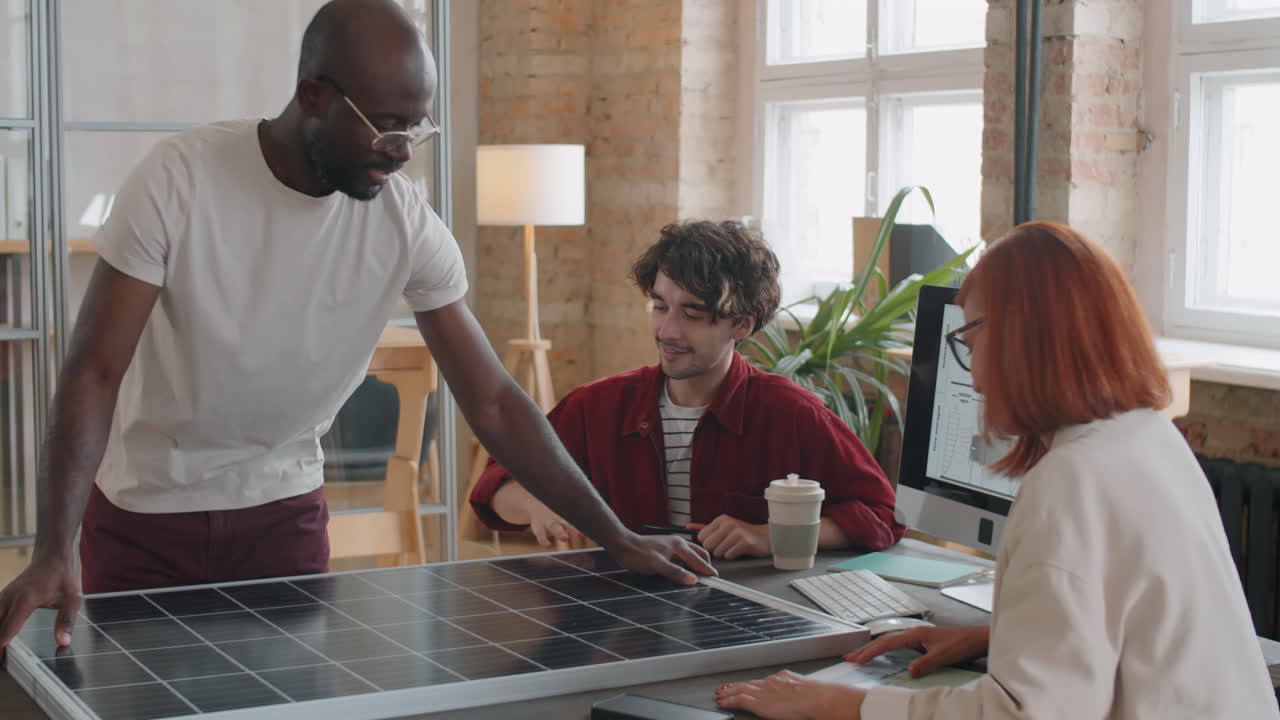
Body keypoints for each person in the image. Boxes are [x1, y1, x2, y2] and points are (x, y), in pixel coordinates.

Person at [0, 0, 712, 655]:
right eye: (385, 124)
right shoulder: (177, 180)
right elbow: (94, 372)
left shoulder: (403, 221)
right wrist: (53, 549)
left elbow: (492, 398)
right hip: (144, 517)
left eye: (416, 126)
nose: (402, 148)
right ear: (313, 94)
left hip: (284, 520)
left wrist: (614, 536)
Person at [714, 221, 1278, 719]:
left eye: (972, 340)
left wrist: (845, 705)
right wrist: (994, 638)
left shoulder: (1069, 481)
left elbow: (1025, 715)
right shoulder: (1147, 435)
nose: (975, 371)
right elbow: (1132, 630)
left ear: (1022, 340)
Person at [469, 220, 905, 558]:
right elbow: (496, 483)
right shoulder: (596, 406)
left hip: (743, 618)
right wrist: (535, 507)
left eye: (692, 315)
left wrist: (770, 536)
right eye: (660, 307)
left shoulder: (792, 413)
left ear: (742, 324)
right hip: (622, 618)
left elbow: (881, 515)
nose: (668, 330)